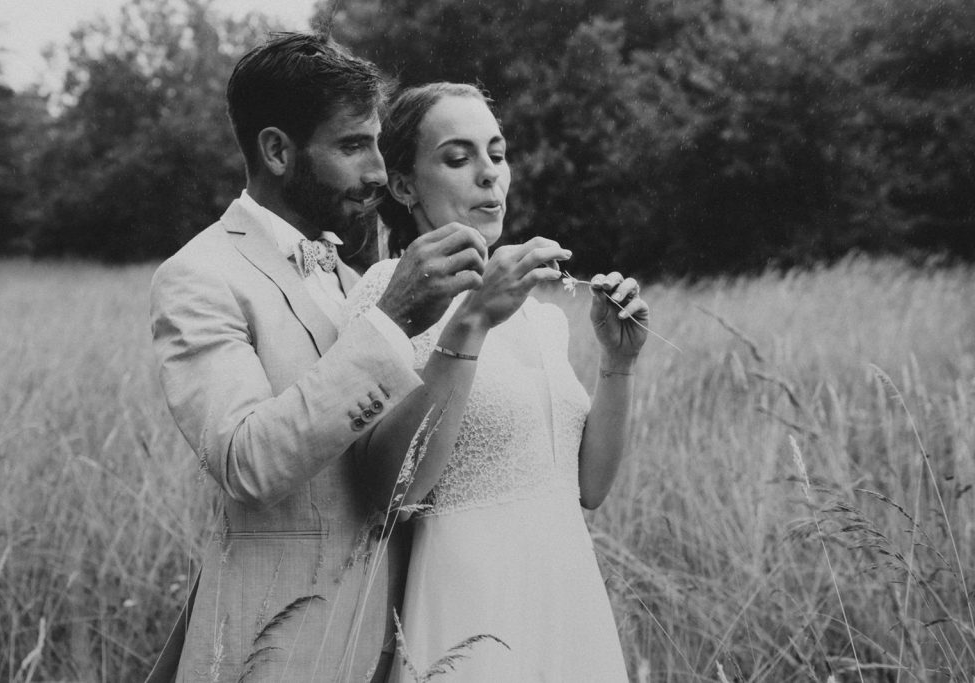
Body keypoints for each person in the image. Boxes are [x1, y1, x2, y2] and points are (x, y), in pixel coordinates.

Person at [147, 36, 490, 682]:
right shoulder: (199, 276)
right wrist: (390, 321)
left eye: (378, 145)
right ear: (277, 150)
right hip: (272, 652)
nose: (378, 174)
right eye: (352, 145)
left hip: (385, 640)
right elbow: (246, 459)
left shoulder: (343, 272)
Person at [344, 82, 647, 681]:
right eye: (458, 158)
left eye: (498, 153)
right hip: (471, 605)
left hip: (567, 595)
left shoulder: (541, 314)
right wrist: (473, 319)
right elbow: (390, 488)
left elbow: (587, 487)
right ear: (403, 186)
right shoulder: (387, 291)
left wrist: (618, 365)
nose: (489, 175)